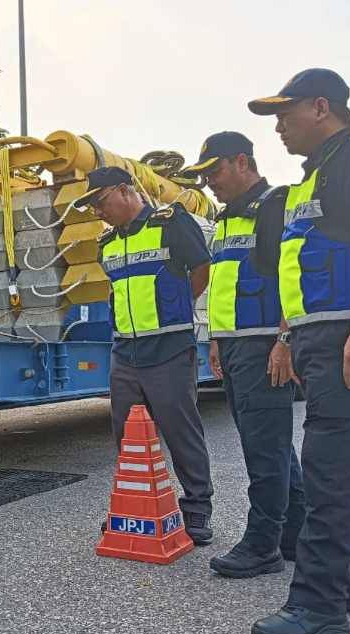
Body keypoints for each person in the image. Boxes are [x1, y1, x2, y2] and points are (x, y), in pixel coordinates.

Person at [245, 68, 350, 634]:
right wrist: (290, 336)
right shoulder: (313, 178)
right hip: (325, 336)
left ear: (321, 107)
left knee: (330, 473)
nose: (280, 127)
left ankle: (317, 607)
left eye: (285, 114)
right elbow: (287, 267)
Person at [180, 132, 307, 578]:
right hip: (235, 344)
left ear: (241, 162)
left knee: (263, 447)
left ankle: (262, 545)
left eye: (214, 172)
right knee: (272, 444)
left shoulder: (274, 205)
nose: (209, 182)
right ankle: (293, 533)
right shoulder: (228, 217)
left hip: (264, 344)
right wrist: (217, 338)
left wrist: (285, 341)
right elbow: (227, 285)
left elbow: (295, 277)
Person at [74, 166, 215, 545]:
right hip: (126, 352)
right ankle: (133, 506)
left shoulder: (170, 223)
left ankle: (197, 508)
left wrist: (178, 307)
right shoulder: (107, 242)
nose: (98, 212)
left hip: (169, 348)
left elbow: (201, 268)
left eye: (100, 202)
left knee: (180, 431)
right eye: (92, 208)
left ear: (125, 190)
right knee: (128, 435)